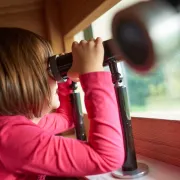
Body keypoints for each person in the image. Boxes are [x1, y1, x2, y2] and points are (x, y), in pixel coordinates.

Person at [0, 27, 125, 180]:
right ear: (22, 80)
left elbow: (67, 119)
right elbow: (107, 158)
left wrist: (68, 78)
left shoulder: (19, 125)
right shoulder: (11, 136)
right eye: (48, 69)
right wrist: (92, 72)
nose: (56, 77)